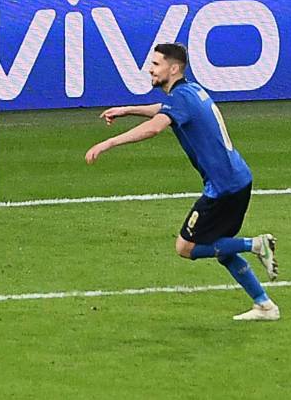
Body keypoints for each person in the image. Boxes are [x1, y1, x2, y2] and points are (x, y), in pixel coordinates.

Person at [85, 43, 280, 321]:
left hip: (223, 188)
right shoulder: (190, 91)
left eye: (156, 64)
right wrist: (126, 110)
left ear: (173, 68)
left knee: (186, 247)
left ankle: (255, 245)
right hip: (238, 179)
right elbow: (162, 109)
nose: (150, 69)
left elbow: (155, 127)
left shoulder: (180, 98)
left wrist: (108, 143)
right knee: (220, 246)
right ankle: (265, 306)